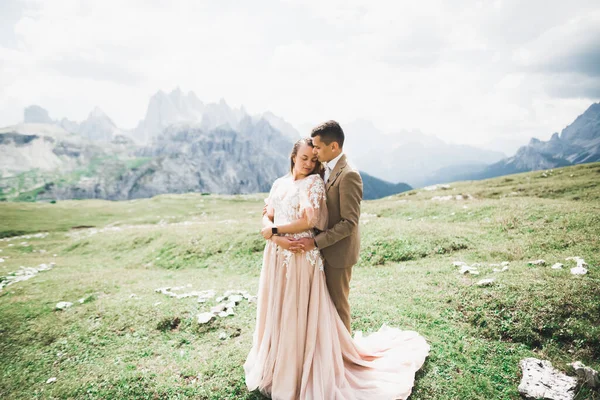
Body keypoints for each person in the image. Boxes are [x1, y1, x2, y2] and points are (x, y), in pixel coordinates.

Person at [244, 135, 430, 399]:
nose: (308, 163)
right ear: (293, 157)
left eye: (313, 158)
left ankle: (299, 370)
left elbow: (309, 219)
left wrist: (275, 230)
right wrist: (274, 235)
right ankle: (277, 366)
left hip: (300, 256)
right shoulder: (279, 183)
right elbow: (268, 212)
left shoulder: (314, 183)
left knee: (298, 312)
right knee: (278, 308)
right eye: (304, 157)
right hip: (277, 254)